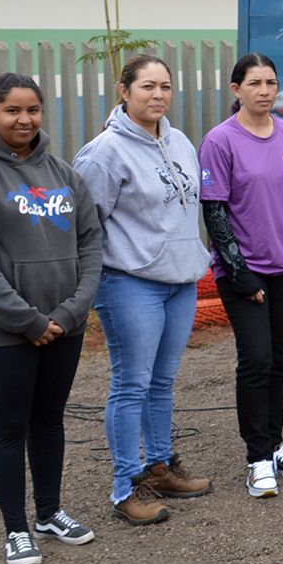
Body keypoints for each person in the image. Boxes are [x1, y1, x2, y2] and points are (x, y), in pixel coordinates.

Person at [0, 74, 103, 564]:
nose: (24, 119)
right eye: (12, 110)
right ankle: (16, 528)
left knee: (49, 421)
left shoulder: (63, 173)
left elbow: (91, 244)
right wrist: (28, 321)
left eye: (32, 109)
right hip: (1, 333)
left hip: (64, 326)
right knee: (10, 427)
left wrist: (71, 311)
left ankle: (49, 513)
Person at [73, 53, 212, 525]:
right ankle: (125, 486)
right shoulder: (104, 152)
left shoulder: (180, 142)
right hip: (129, 282)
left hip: (180, 281)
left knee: (162, 381)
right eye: (147, 86)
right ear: (124, 90)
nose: (158, 95)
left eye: (165, 86)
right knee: (131, 383)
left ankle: (159, 465)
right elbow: (84, 226)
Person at [200, 53, 283, 497]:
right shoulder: (220, 141)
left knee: (279, 359)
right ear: (236, 90)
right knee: (256, 359)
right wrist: (238, 270)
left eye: (270, 82)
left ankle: (274, 444)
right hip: (243, 271)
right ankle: (256, 459)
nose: (264, 91)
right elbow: (214, 211)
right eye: (254, 83)